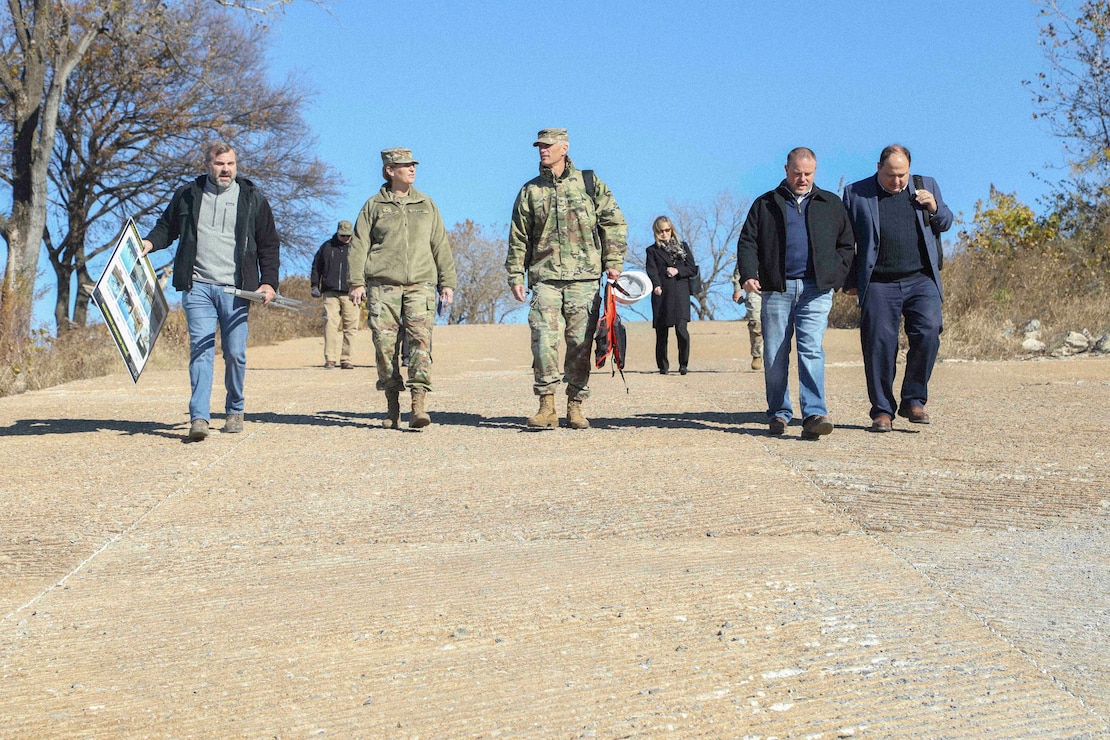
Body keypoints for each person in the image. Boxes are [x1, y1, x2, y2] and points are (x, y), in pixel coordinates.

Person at [141, 142, 280, 442]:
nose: (226, 169)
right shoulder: (188, 195)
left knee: (235, 352)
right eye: (219, 164)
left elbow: (268, 242)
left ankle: (235, 409)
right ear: (206, 164)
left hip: (237, 289)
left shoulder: (252, 197)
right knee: (201, 351)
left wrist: (268, 282)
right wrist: (148, 244)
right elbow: (167, 227)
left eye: (230, 164)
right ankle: (199, 417)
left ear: (236, 165)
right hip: (198, 286)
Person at [505, 128, 628, 429]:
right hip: (545, 276)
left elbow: (613, 221)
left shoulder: (589, 183)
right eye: (539, 146)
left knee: (579, 343)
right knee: (543, 341)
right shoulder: (530, 191)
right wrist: (515, 274)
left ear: (564, 147)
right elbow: (518, 237)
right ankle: (546, 406)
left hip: (584, 278)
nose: (543, 150)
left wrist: (613, 261)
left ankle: (575, 405)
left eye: (548, 146)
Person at [735, 147, 854, 439]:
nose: (802, 179)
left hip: (816, 290)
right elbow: (748, 242)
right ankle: (779, 413)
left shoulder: (831, 203)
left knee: (811, 349)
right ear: (786, 170)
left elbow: (846, 245)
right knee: (775, 353)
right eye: (797, 173)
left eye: (808, 174)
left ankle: (814, 413)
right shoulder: (765, 204)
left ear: (815, 172)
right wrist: (749, 275)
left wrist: (835, 275)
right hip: (777, 288)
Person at [843, 144, 953, 432]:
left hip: (921, 278)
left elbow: (946, 222)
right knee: (879, 344)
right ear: (878, 168)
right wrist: (850, 280)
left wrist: (935, 207)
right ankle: (882, 411)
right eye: (891, 175)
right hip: (879, 281)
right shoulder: (856, 193)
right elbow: (845, 240)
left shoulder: (925, 186)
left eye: (902, 174)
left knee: (929, 330)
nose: (897, 181)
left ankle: (913, 399)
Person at [348, 148, 456, 430]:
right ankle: (392, 403)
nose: (411, 170)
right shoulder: (373, 206)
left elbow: (440, 244)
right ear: (389, 171)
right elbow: (359, 245)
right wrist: (356, 282)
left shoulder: (426, 204)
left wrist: (448, 283)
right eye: (404, 166)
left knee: (420, 342)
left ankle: (418, 405)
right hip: (383, 286)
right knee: (385, 348)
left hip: (421, 284)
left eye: (413, 165)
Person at [645, 216, 697, 375]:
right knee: (662, 332)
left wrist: (677, 271)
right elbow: (651, 270)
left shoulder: (683, 247)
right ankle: (663, 366)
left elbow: (692, 269)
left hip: (680, 294)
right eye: (660, 231)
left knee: (681, 330)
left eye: (667, 230)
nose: (664, 234)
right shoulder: (652, 251)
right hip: (662, 295)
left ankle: (683, 364)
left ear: (672, 230)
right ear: (656, 232)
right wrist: (656, 285)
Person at [311, 220, 359, 369]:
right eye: (343, 235)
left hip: (352, 292)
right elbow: (316, 267)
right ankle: (330, 358)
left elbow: (367, 268)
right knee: (330, 323)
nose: (345, 238)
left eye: (348, 235)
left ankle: (347, 359)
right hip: (330, 291)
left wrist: (364, 287)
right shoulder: (327, 247)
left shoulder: (357, 248)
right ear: (337, 232)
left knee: (351, 326)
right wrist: (314, 285)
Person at [731, 271, 763, 370]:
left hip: (778, 287)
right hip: (754, 288)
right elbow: (741, 265)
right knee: (756, 322)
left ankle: (776, 357)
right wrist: (737, 289)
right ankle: (757, 354)